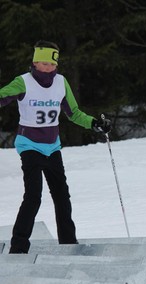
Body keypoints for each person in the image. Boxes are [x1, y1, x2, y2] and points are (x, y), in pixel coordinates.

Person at [0, 40, 111, 253]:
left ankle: (68, 243)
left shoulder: (61, 82)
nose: (47, 68)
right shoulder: (23, 82)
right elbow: (3, 96)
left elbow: (73, 113)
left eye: (51, 64)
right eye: (43, 64)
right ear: (35, 62)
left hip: (52, 147)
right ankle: (19, 247)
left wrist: (94, 123)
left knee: (61, 195)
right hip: (29, 146)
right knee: (33, 195)